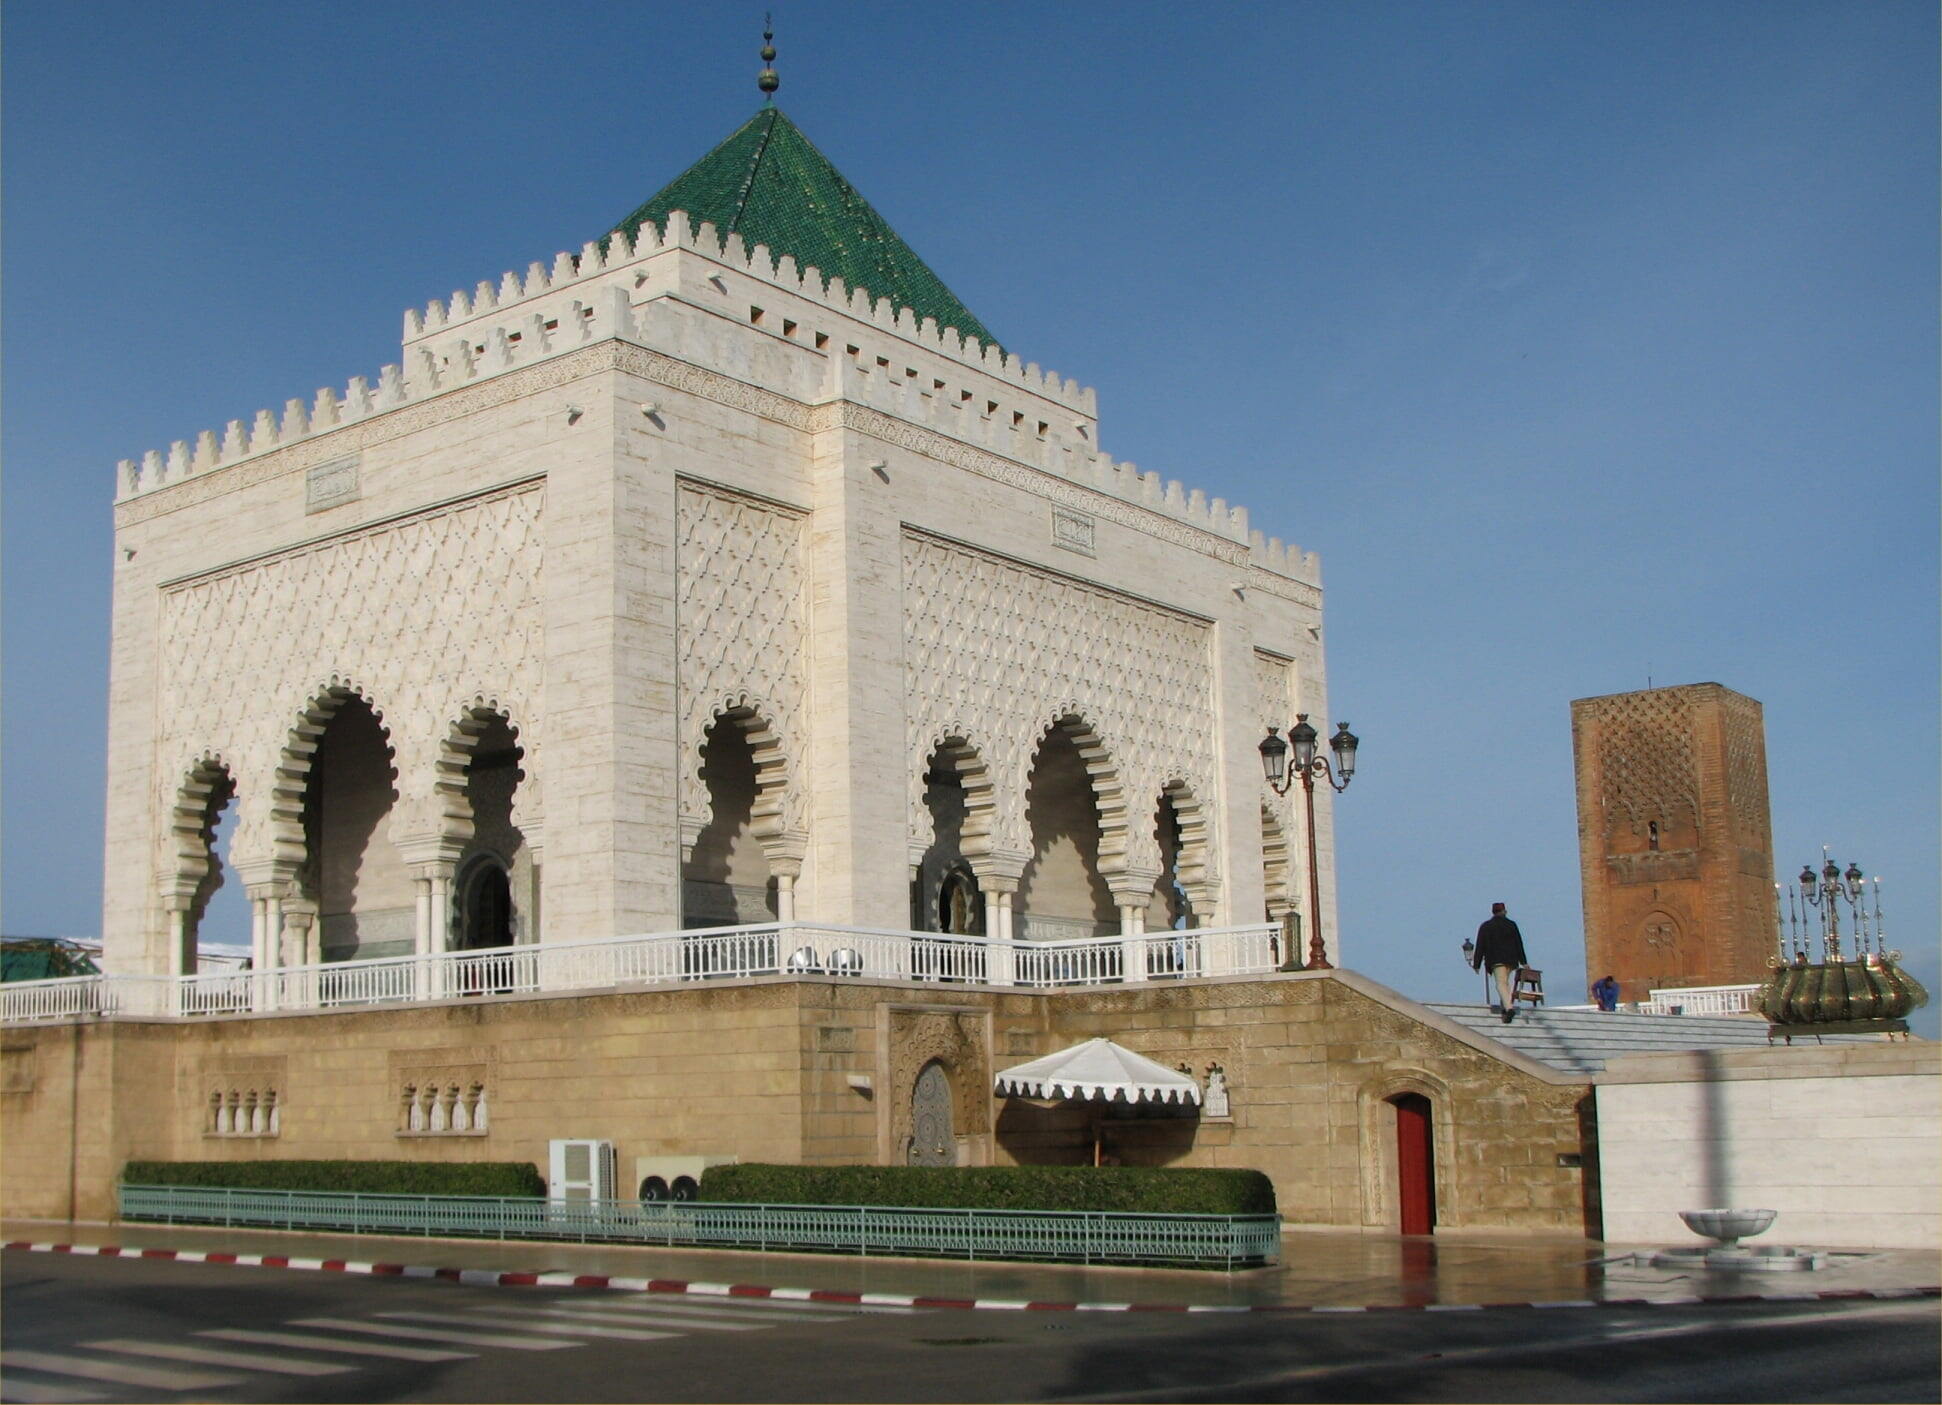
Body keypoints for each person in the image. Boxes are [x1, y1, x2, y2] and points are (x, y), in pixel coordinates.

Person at [1472, 901, 1528, 1023]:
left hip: (1496, 960)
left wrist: (1477, 964)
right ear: (1504, 911)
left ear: (1493, 912)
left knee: (1500, 984)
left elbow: (1480, 945)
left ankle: (1508, 1008)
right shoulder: (1511, 925)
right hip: (1511, 960)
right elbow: (1519, 944)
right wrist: (1523, 961)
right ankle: (1505, 1011)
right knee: (1507, 985)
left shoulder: (1486, 926)